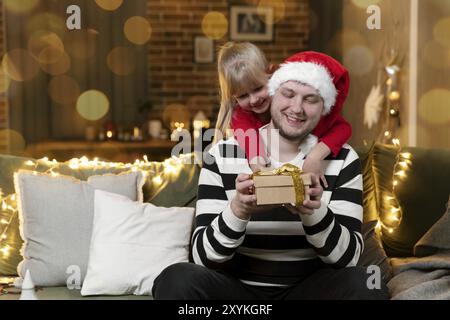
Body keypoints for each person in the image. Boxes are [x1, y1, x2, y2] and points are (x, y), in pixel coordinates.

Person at [152, 52, 390, 300]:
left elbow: (348, 259)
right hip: (239, 299)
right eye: (288, 94)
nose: (296, 108)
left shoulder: (343, 159)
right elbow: (203, 257)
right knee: (176, 279)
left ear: (325, 108)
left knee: (366, 283)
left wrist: (313, 211)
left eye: (310, 99)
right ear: (273, 92)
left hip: (309, 292)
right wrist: (238, 210)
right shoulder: (222, 155)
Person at [214, 42, 352, 188]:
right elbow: (250, 143)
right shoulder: (241, 116)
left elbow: (343, 128)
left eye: (258, 88)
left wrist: (314, 158)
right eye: (242, 96)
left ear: (272, 74)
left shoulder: (293, 104)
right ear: (234, 98)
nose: (254, 100)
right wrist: (258, 164)